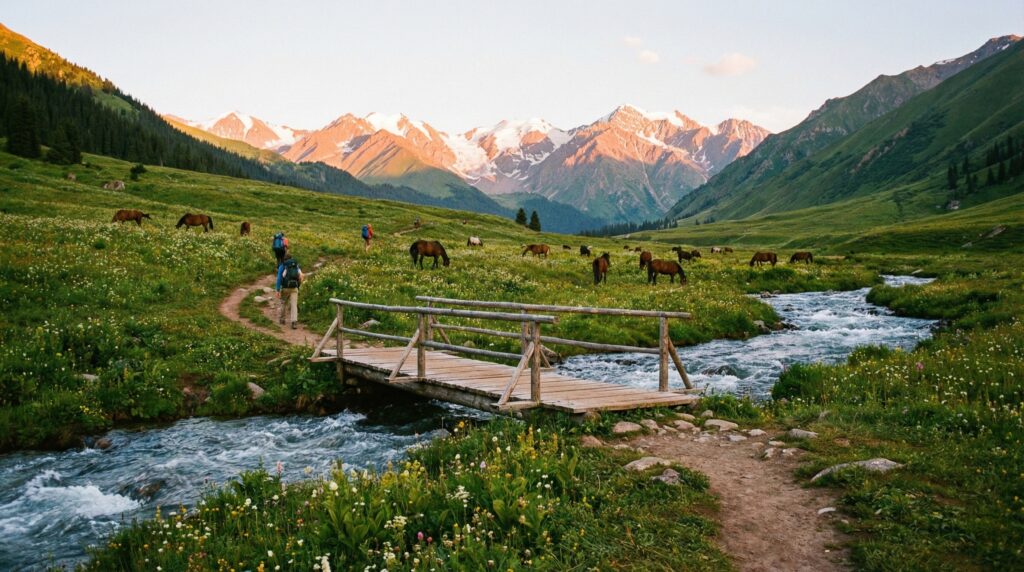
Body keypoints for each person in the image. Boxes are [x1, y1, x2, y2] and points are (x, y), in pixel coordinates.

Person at [275, 253, 304, 329]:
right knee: (294, 305)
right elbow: (301, 276)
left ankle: (282, 319)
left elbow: (279, 278)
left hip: (285, 288)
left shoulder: (283, 265)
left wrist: (278, 290)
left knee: (283, 303)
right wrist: (298, 285)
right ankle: (294, 322)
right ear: (291, 258)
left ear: (284, 259)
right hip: (294, 288)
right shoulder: (296, 265)